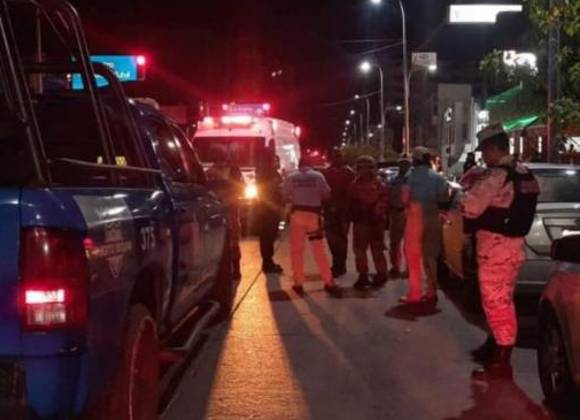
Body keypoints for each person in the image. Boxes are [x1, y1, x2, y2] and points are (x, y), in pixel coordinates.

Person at [460, 125, 539, 380]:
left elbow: (470, 208)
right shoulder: (522, 172)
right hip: (512, 247)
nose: (483, 156)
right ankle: (494, 346)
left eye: (485, 151)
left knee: (497, 303)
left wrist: (461, 196)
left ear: (494, 149)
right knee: (502, 300)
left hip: (494, 249)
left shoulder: (495, 175)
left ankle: (501, 363)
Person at [283, 156, 342, 297]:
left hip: (297, 215)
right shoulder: (318, 176)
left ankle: (298, 283)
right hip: (313, 216)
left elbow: (284, 196)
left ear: (299, 165)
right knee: (318, 250)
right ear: (310, 164)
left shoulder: (291, 177)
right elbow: (327, 194)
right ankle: (328, 281)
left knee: (297, 251)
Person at [400, 147, 449, 304]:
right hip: (433, 216)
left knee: (413, 257)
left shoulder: (410, 176)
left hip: (415, 216)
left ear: (415, 160)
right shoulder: (438, 177)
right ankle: (431, 291)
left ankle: (414, 294)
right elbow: (444, 198)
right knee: (430, 257)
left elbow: (404, 198)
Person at [347, 155, 389, 289]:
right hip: (361, 221)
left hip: (374, 221)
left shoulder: (379, 183)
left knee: (376, 249)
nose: (364, 170)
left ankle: (381, 273)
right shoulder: (355, 184)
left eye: (367, 167)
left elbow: (384, 202)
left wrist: (375, 211)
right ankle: (363, 275)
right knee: (360, 251)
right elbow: (351, 202)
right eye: (361, 167)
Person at [206, 149, 244, 280]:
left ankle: (235, 268)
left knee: (232, 240)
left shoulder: (232, 171)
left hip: (228, 209)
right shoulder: (211, 172)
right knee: (228, 241)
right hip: (220, 210)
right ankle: (229, 269)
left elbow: (240, 188)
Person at [322, 149, 355, 278]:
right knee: (331, 239)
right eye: (335, 156)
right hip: (330, 211)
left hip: (344, 212)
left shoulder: (349, 173)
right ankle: (337, 264)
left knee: (341, 239)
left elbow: (352, 192)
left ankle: (340, 265)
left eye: (339, 156)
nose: (338, 158)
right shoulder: (326, 173)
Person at [256, 149, 284, 274]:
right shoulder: (270, 174)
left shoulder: (262, 172)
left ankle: (267, 261)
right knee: (269, 236)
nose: (276, 162)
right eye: (274, 159)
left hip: (264, 209)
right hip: (270, 210)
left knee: (266, 236)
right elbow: (276, 189)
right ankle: (268, 262)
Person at [388, 157, 411, 277]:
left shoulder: (413, 180)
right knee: (394, 243)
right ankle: (395, 266)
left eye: (406, 164)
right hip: (395, 213)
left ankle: (409, 268)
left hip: (408, 213)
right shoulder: (394, 179)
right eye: (401, 164)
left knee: (409, 243)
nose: (403, 167)